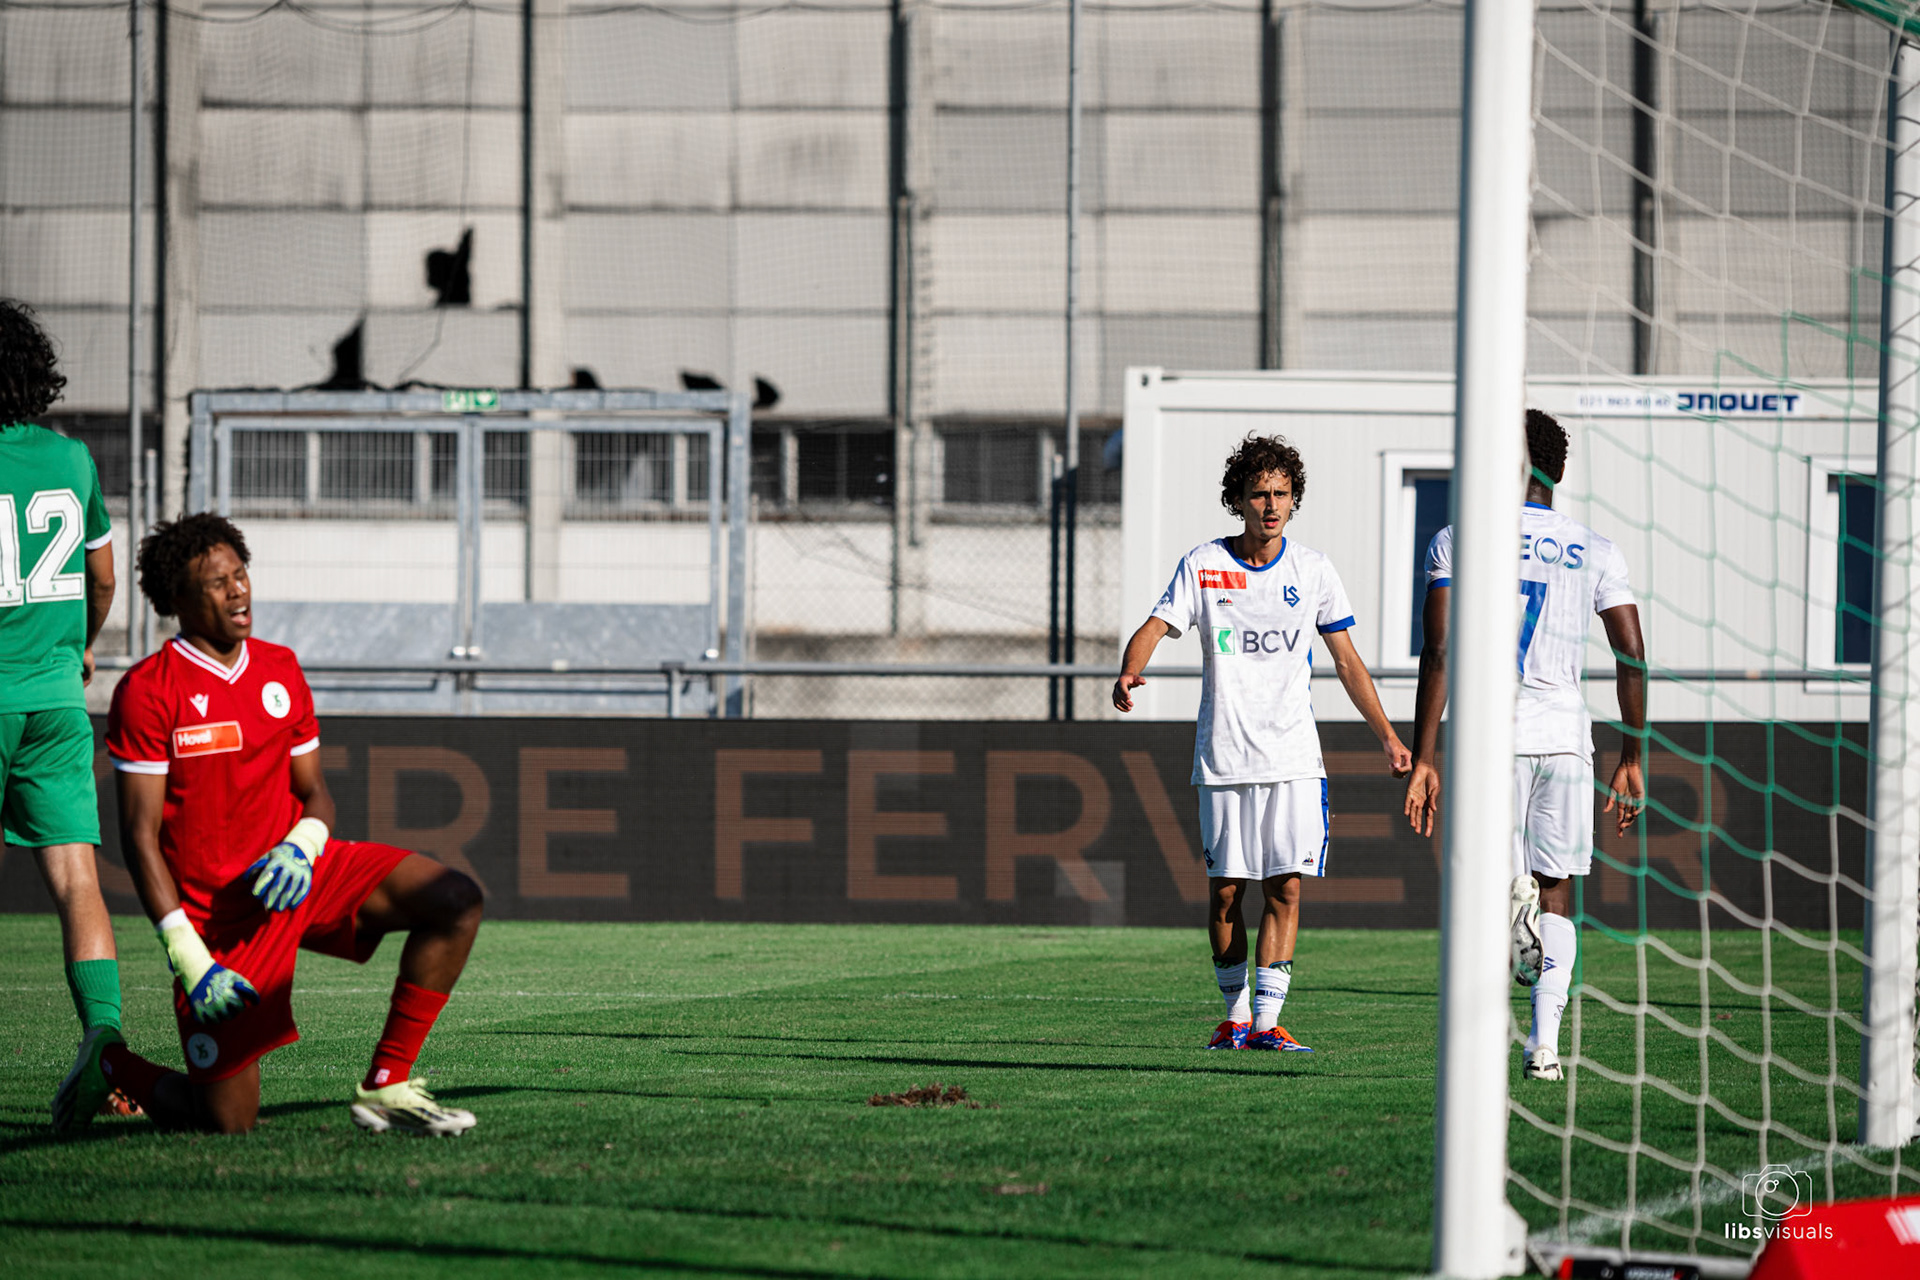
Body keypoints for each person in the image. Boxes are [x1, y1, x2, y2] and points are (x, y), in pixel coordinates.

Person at [54, 512, 486, 1135]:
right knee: (228, 1123)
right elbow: (139, 837)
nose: (238, 591)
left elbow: (316, 796)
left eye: (242, 574)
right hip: (220, 918)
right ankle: (113, 1061)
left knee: (454, 899)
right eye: (217, 582)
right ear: (177, 600)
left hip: (300, 876)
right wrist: (189, 957)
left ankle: (388, 1086)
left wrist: (304, 847)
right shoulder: (148, 691)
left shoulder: (280, 667)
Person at [1115, 434, 1411, 1052]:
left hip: (1294, 759)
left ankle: (1270, 1026)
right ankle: (1235, 1017)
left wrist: (1387, 736)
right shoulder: (1203, 564)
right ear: (1238, 500)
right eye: (1258, 494)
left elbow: (1349, 663)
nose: (1270, 505)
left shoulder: (1314, 570)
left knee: (1287, 885)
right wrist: (1129, 668)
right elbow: (1156, 625)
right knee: (1226, 891)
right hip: (1223, 757)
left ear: (1294, 499)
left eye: (1281, 493)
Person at [1402, 408, 1646, 1082]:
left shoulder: (1459, 541)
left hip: (1494, 734)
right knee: (1559, 886)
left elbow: (1441, 649)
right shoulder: (1595, 547)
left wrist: (1424, 756)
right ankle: (1545, 1046)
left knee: (1495, 886)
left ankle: (1516, 918)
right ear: (1559, 470)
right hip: (1566, 736)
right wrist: (1631, 755)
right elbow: (1632, 654)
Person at [0, 299, 132, 1130]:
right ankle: (108, 1050)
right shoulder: (72, 458)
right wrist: (79, 645)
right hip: (54, 699)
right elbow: (105, 578)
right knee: (79, 878)